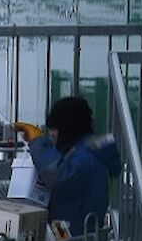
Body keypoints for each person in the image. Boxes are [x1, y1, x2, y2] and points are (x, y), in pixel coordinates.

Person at [16, 96, 121, 233]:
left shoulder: (87, 159)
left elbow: (55, 173)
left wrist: (37, 141)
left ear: (67, 129)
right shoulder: (88, 152)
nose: (52, 135)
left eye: (54, 129)